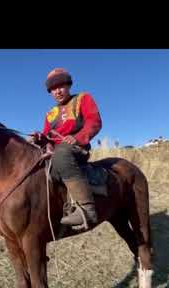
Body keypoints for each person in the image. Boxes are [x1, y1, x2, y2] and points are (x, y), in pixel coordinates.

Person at [30, 68, 102, 227]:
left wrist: (77, 138)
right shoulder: (50, 113)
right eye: (53, 88)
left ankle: (87, 209)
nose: (58, 91)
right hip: (57, 152)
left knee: (61, 153)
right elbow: (47, 136)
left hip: (76, 149)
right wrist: (40, 138)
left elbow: (94, 122)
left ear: (68, 85)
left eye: (61, 86)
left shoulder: (82, 98)